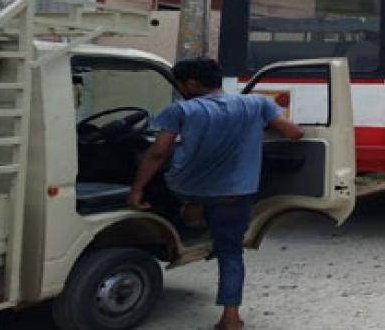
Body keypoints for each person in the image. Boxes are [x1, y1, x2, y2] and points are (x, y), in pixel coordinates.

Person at [128, 57, 303, 330]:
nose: (181, 89)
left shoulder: (181, 110)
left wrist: (136, 190)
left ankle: (191, 212)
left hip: (187, 186)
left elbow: (158, 152)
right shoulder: (257, 104)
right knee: (231, 253)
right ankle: (230, 318)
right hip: (235, 193)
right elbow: (294, 133)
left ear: (193, 84)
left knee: (166, 183)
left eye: (181, 84)